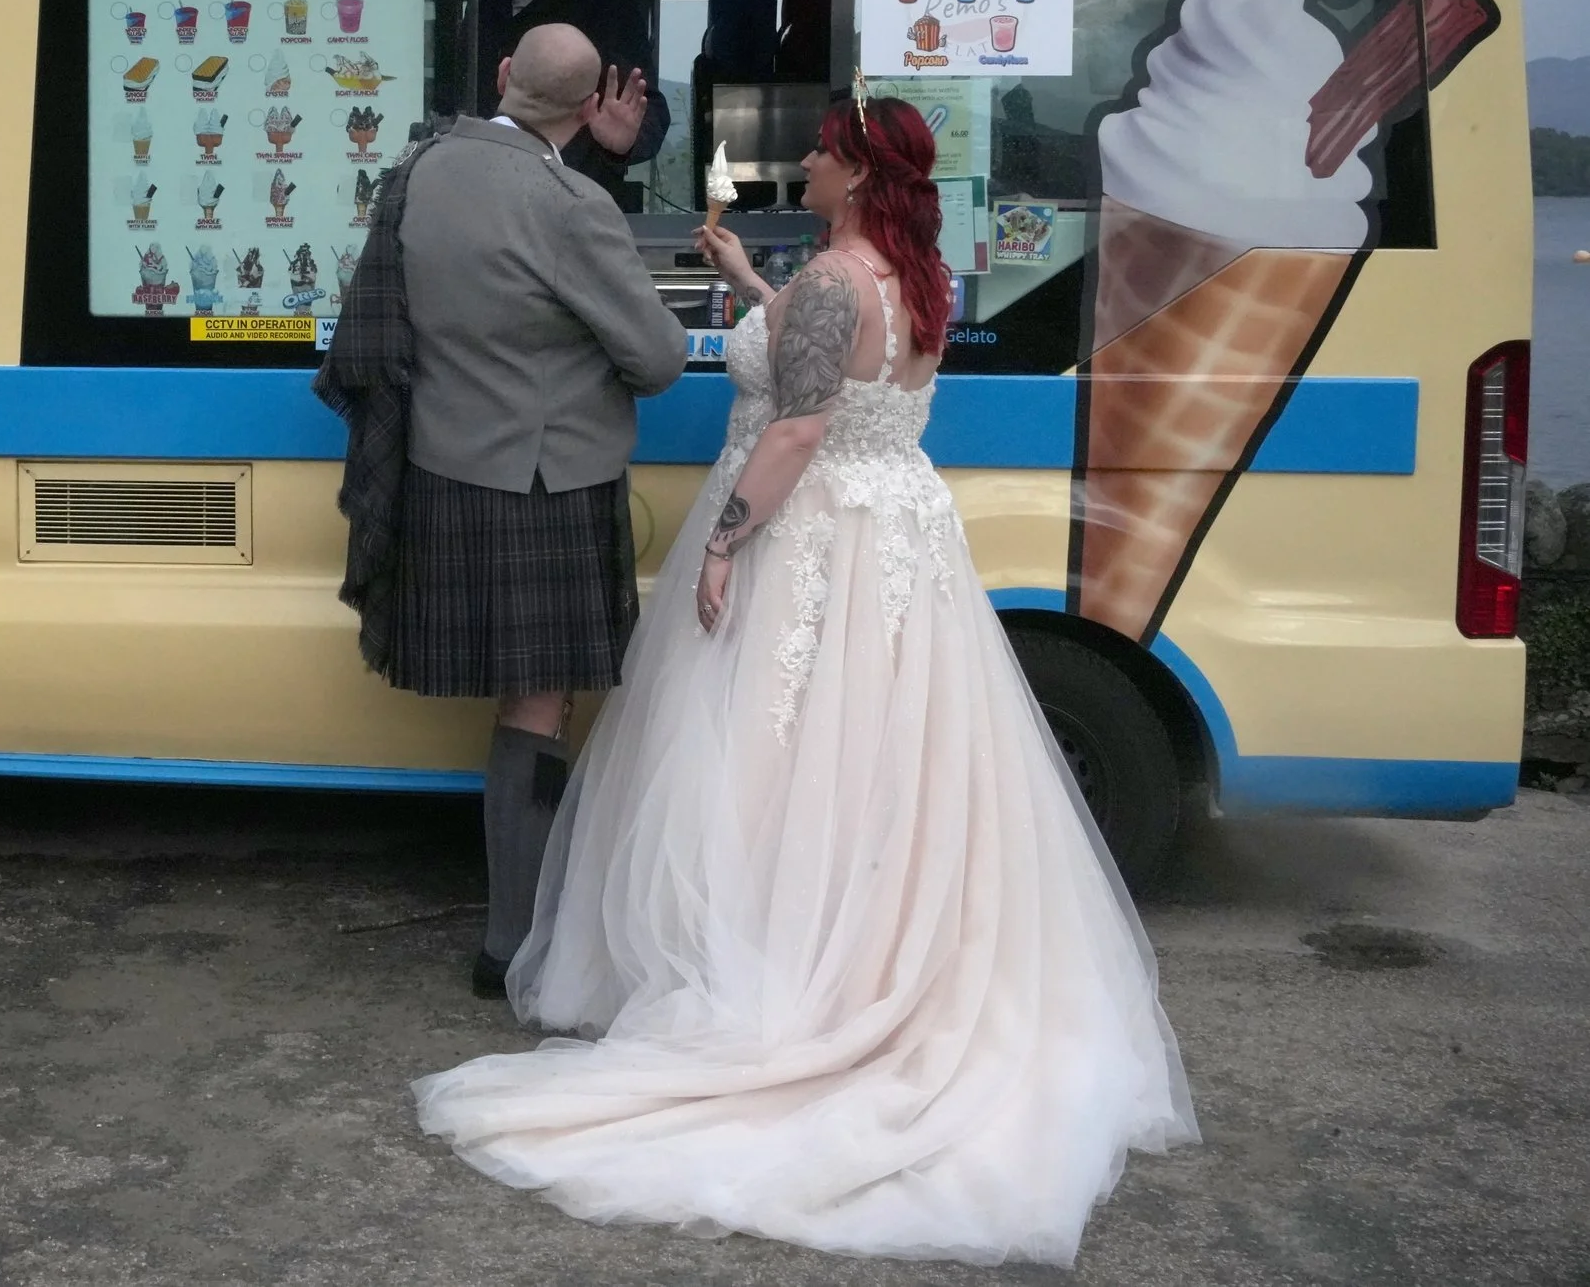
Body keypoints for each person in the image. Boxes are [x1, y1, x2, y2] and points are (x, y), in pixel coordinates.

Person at [413, 88, 1196, 1266]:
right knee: (878, 760)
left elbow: (796, 425)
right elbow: (848, 374)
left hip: (813, 535)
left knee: (764, 752)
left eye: (824, 158)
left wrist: (723, 541)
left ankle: (771, 971)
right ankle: (869, 947)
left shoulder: (836, 281)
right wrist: (746, 281)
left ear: (855, 173)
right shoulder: (911, 276)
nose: (810, 172)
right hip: (900, 535)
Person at [316, 23, 685, 998]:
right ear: (584, 107)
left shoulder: (420, 165)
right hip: (542, 481)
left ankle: (517, 924)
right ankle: (513, 939)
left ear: (500, 77)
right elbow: (655, 359)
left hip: (442, 467)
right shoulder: (569, 205)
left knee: (516, 701)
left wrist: (587, 156)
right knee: (537, 704)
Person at [473, 0, 667, 202]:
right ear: (506, 75)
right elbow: (451, 85)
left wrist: (620, 146)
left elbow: (648, 111)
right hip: (482, 187)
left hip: (571, 200)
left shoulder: (607, 1)